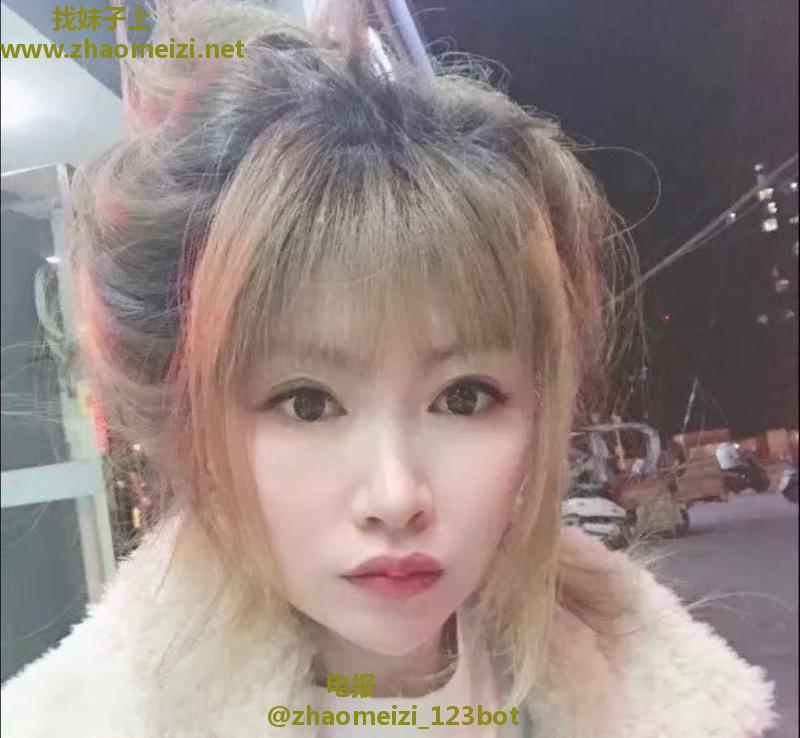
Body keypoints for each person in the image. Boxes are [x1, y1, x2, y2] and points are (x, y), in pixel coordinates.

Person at [1, 1, 775, 736]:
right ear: (191, 423)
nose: (397, 497)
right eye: (307, 403)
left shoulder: (665, 701)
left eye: (465, 398)